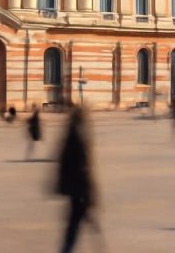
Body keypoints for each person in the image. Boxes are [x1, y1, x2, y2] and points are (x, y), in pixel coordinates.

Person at [56, 106, 104, 253]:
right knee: (81, 229)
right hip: (80, 192)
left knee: (74, 229)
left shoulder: (70, 135)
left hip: (74, 191)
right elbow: (84, 169)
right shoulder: (78, 138)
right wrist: (90, 194)